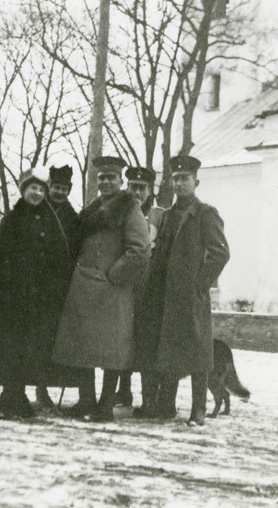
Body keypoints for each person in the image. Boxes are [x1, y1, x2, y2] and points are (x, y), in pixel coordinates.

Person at [133, 155, 230, 427]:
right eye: (175, 179)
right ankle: (166, 405)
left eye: (184, 179)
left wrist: (200, 284)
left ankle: (198, 409)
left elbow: (220, 253)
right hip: (164, 295)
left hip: (190, 296)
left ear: (195, 182)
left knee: (198, 351)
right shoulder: (167, 216)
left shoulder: (205, 214)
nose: (179, 184)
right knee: (169, 349)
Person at [52, 155, 150, 422]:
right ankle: (86, 401)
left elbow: (140, 250)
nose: (106, 181)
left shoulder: (130, 209)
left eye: (111, 177)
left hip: (111, 291)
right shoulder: (91, 209)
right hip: (84, 288)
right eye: (102, 177)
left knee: (111, 350)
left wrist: (114, 276)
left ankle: (105, 405)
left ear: (120, 181)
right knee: (83, 347)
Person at [0, 167, 71, 419]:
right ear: (23, 191)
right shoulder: (11, 219)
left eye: (41, 189)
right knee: (13, 347)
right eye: (32, 188)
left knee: (33, 348)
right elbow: (3, 258)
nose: (37, 193)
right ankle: (11, 396)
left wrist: (53, 286)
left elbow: (61, 254)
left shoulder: (50, 219)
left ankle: (16, 396)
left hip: (41, 298)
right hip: (14, 295)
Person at [114, 165, 165, 408]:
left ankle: (149, 398)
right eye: (132, 186)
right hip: (125, 288)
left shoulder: (159, 216)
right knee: (123, 339)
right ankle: (122, 391)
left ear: (150, 191)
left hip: (150, 290)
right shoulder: (119, 213)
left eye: (141, 188)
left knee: (146, 343)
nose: (136, 192)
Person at [35, 164, 81, 408]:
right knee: (33, 340)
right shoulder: (36, 210)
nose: (59, 192)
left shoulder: (73, 218)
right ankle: (34, 389)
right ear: (48, 187)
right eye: (56, 187)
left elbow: (75, 252)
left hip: (59, 288)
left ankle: (44, 389)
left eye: (64, 188)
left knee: (53, 341)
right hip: (35, 286)